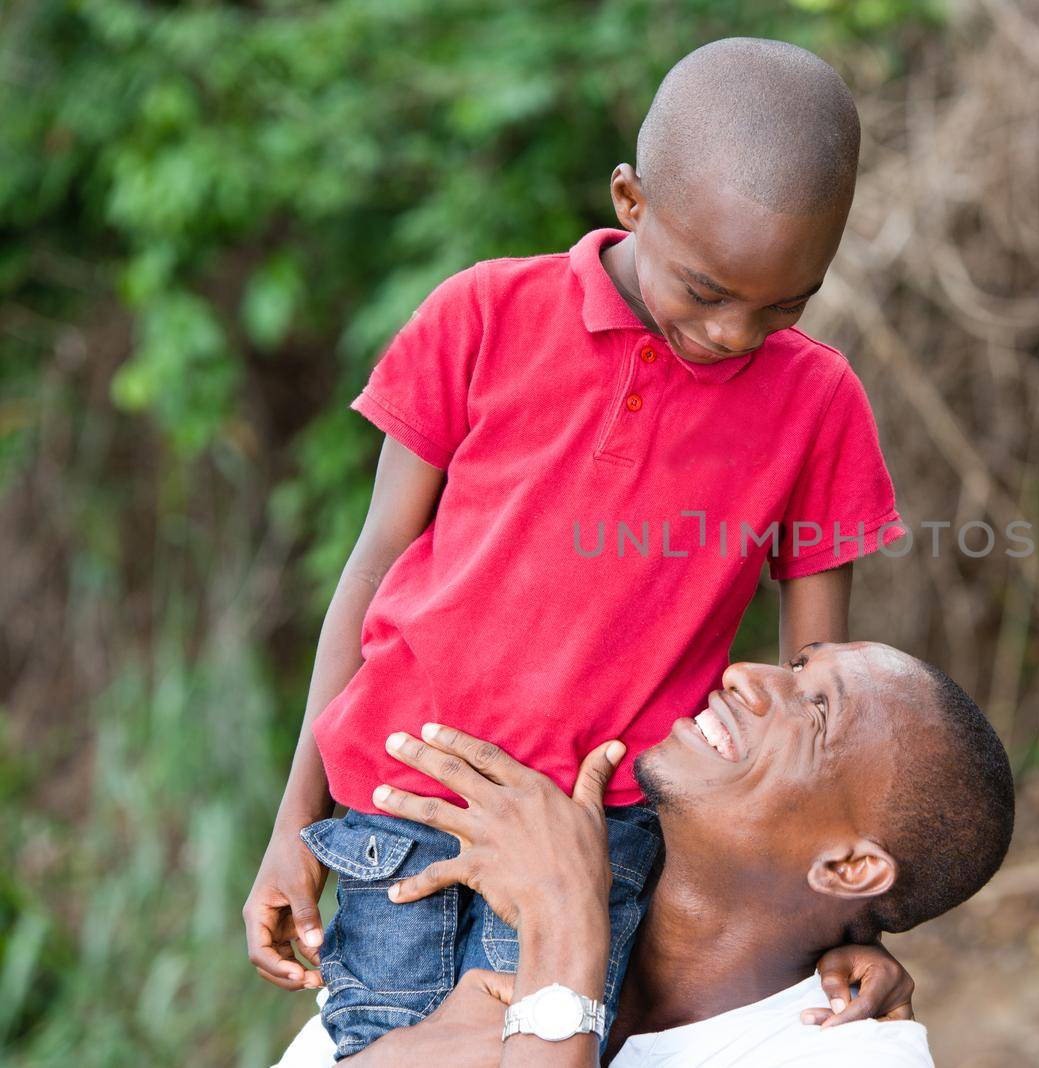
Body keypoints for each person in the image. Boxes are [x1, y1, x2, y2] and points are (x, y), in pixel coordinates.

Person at [243, 38, 910, 1059]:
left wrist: (844, 926)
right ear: (631, 200)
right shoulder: (480, 316)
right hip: (397, 802)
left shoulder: (816, 402)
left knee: (545, 1045)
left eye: (784, 306)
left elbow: (817, 695)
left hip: (602, 832)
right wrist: (293, 826)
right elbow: (373, 568)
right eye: (704, 290)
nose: (736, 335)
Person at [274, 641, 1015, 1066]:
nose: (746, 676)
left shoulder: (853, 1057)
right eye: (796, 664)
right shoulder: (454, 939)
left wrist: (563, 929)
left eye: (817, 711)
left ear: (849, 870)